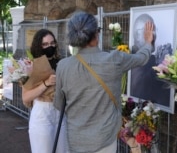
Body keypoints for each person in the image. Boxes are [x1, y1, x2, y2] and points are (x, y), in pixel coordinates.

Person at [53, 11, 154, 153]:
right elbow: (141, 58)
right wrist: (148, 43)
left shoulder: (63, 66)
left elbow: (58, 104)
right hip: (105, 140)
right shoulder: (113, 60)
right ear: (95, 35)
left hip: (76, 140)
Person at [22, 29, 68, 153]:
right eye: (45, 44)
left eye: (52, 43)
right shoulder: (32, 65)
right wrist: (46, 83)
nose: (50, 46)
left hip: (61, 112)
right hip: (42, 114)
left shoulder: (62, 63)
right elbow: (26, 98)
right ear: (39, 46)